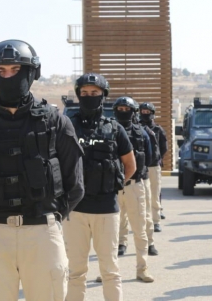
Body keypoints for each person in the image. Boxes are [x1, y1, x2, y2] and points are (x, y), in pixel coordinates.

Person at [0, 39, 84, 301]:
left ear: (31, 73)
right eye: (1, 71)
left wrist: (50, 219)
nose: (8, 77)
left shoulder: (55, 121)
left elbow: (75, 183)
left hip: (42, 234)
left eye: (15, 70)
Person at [65, 73, 137, 300]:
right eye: (84, 93)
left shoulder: (115, 129)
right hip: (75, 210)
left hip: (106, 209)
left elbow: (130, 165)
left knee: (110, 269)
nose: (89, 97)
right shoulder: (67, 126)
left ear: (103, 95)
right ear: (78, 95)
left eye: (94, 93)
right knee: (75, 271)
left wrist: (112, 184)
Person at [113, 96, 155, 282]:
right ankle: (108, 270)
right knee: (109, 232)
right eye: (120, 109)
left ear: (133, 112)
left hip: (134, 185)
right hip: (112, 188)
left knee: (139, 229)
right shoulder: (108, 130)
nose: (123, 112)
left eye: (127, 109)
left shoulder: (142, 133)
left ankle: (142, 268)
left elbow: (149, 158)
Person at [139, 102, 167, 230]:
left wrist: (157, 158)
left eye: (148, 112)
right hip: (140, 166)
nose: (145, 114)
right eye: (143, 112)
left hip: (153, 165)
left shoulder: (158, 129)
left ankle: (156, 221)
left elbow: (163, 147)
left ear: (152, 113)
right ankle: (142, 221)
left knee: (154, 194)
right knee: (140, 195)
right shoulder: (137, 128)